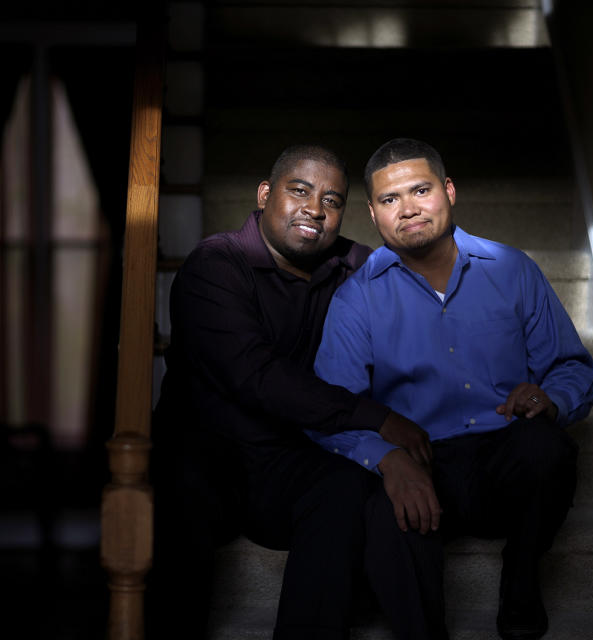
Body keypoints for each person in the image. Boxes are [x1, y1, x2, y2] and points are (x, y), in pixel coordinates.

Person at [307, 138, 593, 640]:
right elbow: (334, 409)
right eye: (390, 199)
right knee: (383, 508)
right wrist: (387, 459)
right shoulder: (357, 298)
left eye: (420, 190)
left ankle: (521, 583)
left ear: (448, 190)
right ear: (374, 216)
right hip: (422, 461)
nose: (409, 208)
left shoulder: (513, 270)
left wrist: (551, 399)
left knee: (548, 447)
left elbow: (574, 368)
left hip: (504, 456)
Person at [150, 144, 448, 640]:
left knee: (346, 486)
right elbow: (256, 375)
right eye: (300, 191)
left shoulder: (352, 264)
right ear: (266, 195)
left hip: (286, 457)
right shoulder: (215, 264)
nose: (315, 208)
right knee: (179, 480)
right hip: (205, 453)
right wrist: (374, 417)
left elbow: (420, 312)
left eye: (332, 201)